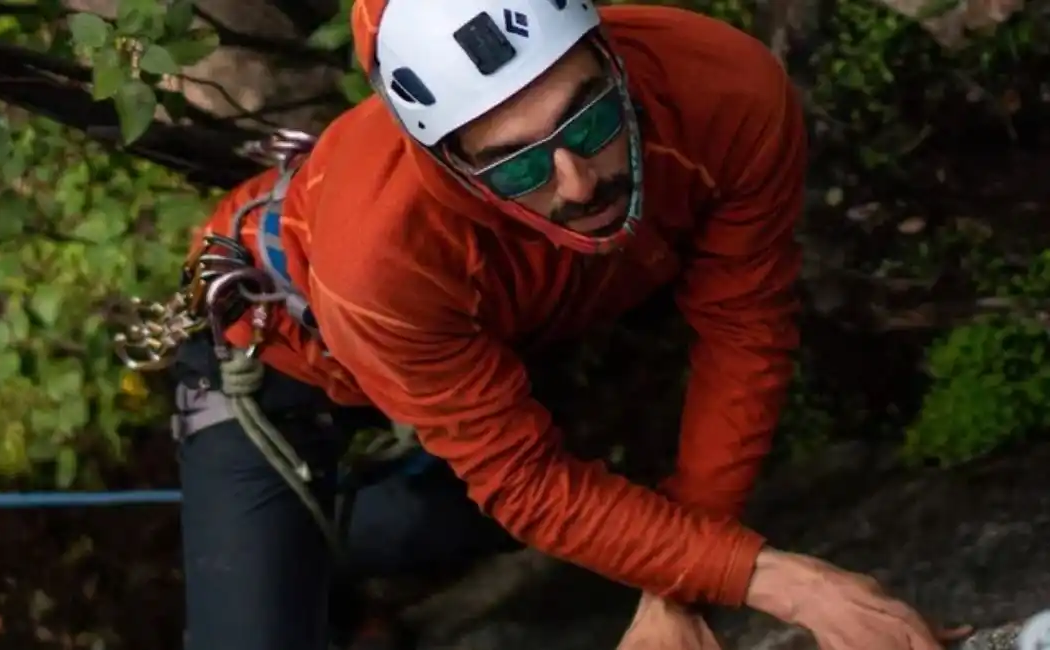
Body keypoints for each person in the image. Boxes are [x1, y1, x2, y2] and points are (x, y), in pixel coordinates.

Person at [167, 1, 972, 649]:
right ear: (446, 161)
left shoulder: (721, 91)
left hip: (483, 345)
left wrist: (682, 579)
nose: (580, 181)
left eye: (588, 119)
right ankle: (302, 559)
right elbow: (523, 481)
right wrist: (782, 581)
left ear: (613, 60)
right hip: (278, 355)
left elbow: (744, 330)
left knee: (461, 524)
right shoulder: (385, 253)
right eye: (517, 163)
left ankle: (319, 559)